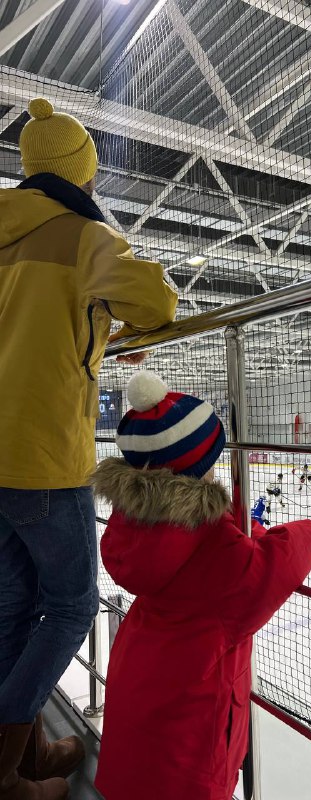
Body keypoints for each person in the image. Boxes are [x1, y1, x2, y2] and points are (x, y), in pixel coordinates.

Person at [0, 99, 178, 798]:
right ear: (83, 174)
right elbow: (157, 303)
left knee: (13, 606)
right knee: (72, 606)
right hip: (43, 457)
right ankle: (4, 771)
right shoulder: (82, 234)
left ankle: (28, 758)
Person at [93, 372, 311, 800]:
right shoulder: (225, 555)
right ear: (204, 465)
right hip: (188, 753)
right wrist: (304, 529)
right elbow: (284, 559)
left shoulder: (132, 529)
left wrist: (237, 526)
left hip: (133, 724)